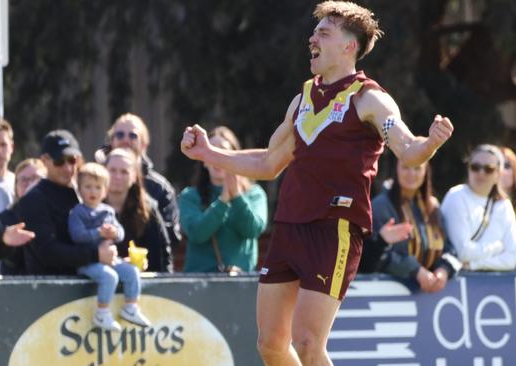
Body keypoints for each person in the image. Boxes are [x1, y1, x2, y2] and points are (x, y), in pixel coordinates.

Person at [180, 2, 453, 364]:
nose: (312, 38)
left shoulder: (370, 99)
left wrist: (431, 142)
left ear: (349, 46)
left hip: (334, 230)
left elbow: (408, 149)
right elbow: (268, 162)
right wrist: (208, 154)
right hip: (290, 226)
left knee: (308, 343)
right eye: (314, 31)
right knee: (271, 344)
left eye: (324, 32)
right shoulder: (302, 100)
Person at [16, 130, 118, 275]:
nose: (67, 168)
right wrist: (96, 255)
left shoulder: (81, 192)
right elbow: (47, 252)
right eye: (59, 161)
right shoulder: (33, 200)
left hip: (85, 287)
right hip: (47, 291)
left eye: (72, 160)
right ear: (44, 160)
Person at [68, 162, 150, 331]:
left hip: (111, 259)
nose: (93, 191)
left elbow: (120, 234)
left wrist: (113, 232)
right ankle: (102, 313)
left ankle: (131, 308)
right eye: (88, 187)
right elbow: (77, 235)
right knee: (109, 277)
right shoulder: (77, 212)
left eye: (98, 187)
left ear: (105, 190)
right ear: (79, 189)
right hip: (87, 263)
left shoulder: (108, 211)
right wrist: (99, 232)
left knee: (132, 271)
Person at [360, 160, 461, 292]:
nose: (411, 174)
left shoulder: (433, 208)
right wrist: (414, 270)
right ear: (396, 169)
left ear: (426, 171)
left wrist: (443, 270)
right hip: (388, 293)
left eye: (417, 168)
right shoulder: (380, 206)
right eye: (405, 167)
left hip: (430, 295)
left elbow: (450, 250)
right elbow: (368, 260)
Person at [179, 126, 268, 273]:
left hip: (241, 282)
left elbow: (252, 229)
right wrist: (223, 201)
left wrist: (237, 197)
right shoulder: (189, 196)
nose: (218, 157)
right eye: (212, 151)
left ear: (235, 158)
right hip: (199, 285)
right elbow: (196, 233)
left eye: (223, 151)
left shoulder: (255, 194)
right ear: (204, 162)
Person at [96, 113, 181, 249]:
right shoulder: (96, 180)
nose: (126, 140)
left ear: (144, 145)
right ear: (111, 142)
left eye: (133, 135)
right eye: (119, 135)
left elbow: (172, 237)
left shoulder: (160, 187)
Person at [440, 144, 516, 271]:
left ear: (498, 174)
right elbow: (462, 252)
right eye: (475, 167)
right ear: (468, 169)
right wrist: (497, 247)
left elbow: (511, 258)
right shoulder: (456, 196)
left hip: (495, 287)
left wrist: (475, 264)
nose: (481, 173)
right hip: (456, 286)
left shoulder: (504, 205)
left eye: (488, 169)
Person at [104, 148, 172, 273]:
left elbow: (162, 256)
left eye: (124, 172)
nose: (117, 176)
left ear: (134, 176)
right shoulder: (88, 207)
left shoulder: (148, 210)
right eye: (112, 170)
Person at [0, 158, 47, 274]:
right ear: (16, 185)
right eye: (24, 179)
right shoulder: (5, 217)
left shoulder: (53, 214)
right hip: (15, 285)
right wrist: (6, 241)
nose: (30, 184)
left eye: (36, 179)